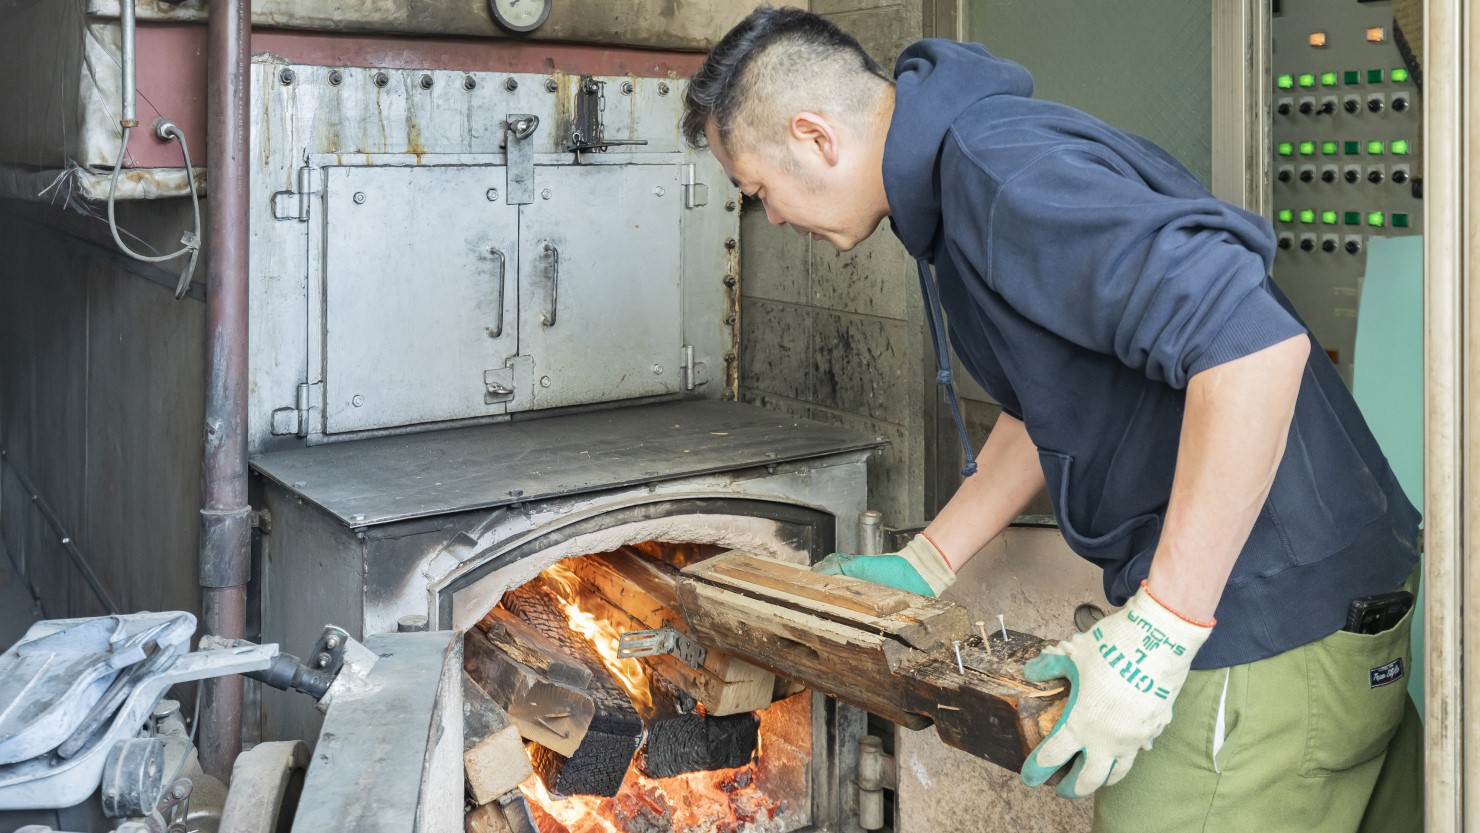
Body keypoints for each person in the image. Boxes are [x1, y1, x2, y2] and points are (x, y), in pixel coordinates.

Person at [680, 8, 1423, 832]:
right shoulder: (966, 171)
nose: (773, 218)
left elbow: (1255, 349)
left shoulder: (1001, 172)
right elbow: (1050, 402)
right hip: (1320, 609)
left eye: (757, 191)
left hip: (1263, 631)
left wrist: (1160, 632)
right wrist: (929, 560)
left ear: (816, 137)